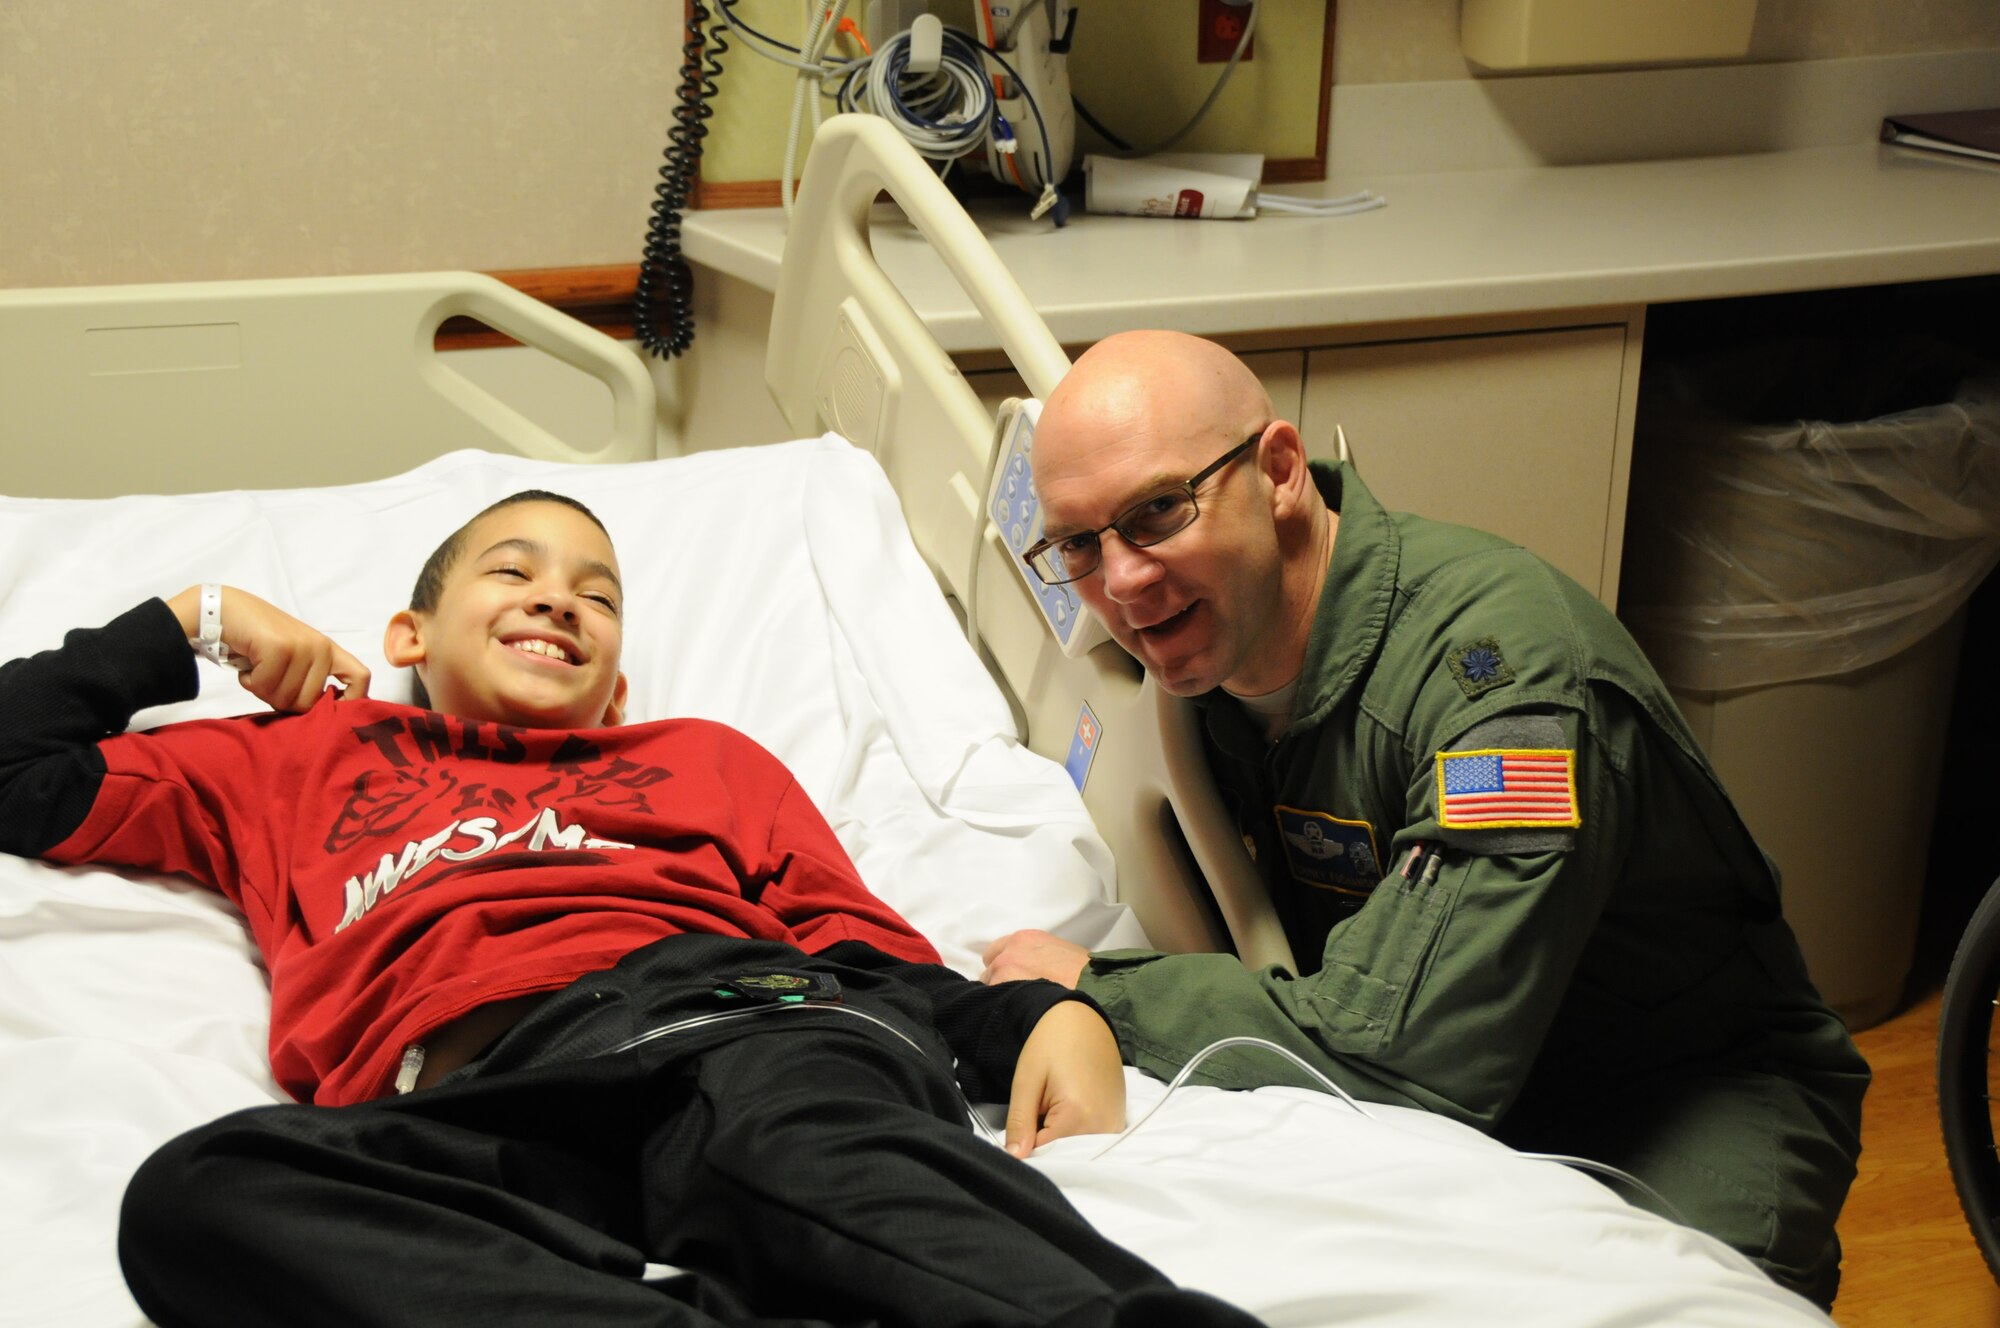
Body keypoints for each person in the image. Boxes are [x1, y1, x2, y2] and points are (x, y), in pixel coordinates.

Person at [0, 488, 1261, 1328]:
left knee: (829, 1167)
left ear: (613, 683)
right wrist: (189, 625)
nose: (559, 599)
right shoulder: (291, 757)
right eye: (514, 569)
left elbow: (854, 944)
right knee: (203, 1192)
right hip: (489, 1101)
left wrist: (1035, 1016)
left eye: (596, 594)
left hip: (739, 1025)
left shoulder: (701, 757)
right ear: (407, 627)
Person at [980, 330, 1870, 1309]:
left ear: (1278, 472)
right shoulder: (1216, 655)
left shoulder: (1506, 691)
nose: (1123, 582)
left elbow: (1404, 1058)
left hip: (1669, 1089)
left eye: (1157, 510)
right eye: (1078, 543)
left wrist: (1104, 991)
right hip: (1468, 1073)